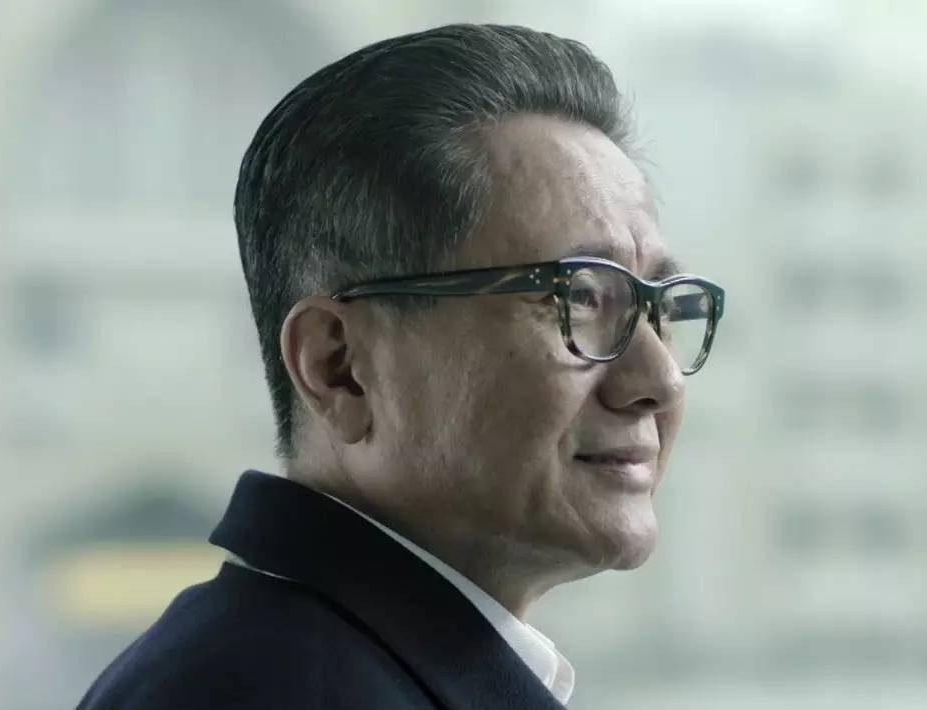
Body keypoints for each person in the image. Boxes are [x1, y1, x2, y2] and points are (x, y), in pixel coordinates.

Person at [76, 22, 725, 710]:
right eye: (581, 298)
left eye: (660, 307)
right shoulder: (271, 691)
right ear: (340, 367)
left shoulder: (320, 661)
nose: (659, 381)